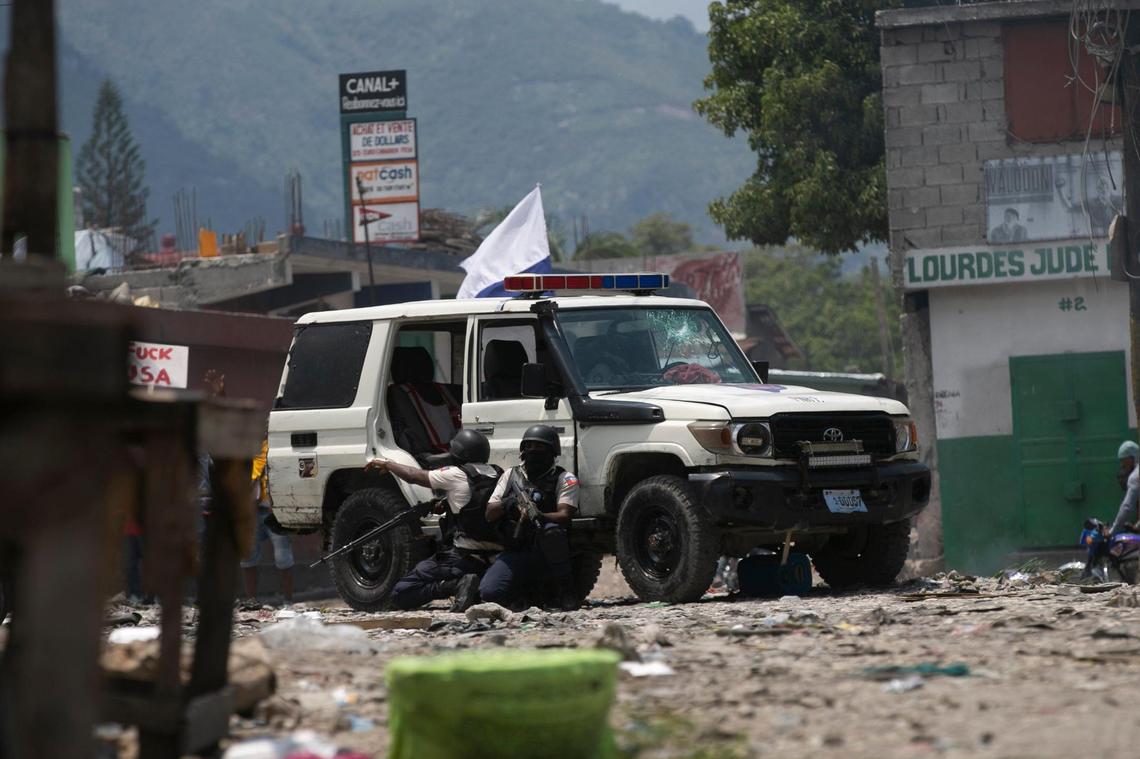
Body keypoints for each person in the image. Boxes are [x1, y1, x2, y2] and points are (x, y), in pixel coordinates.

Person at [370, 429, 501, 612]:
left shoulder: (455, 474)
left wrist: (389, 464)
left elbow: (414, 476)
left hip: (463, 557)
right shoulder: (498, 473)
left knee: (400, 593)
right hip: (497, 558)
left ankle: (453, 586)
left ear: (459, 453)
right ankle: (474, 587)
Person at [480, 425, 580, 611]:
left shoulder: (564, 478)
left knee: (552, 532)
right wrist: (508, 503)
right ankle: (525, 594)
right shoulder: (511, 475)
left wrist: (540, 516)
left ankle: (566, 590)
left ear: (552, 452)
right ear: (522, 451)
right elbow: (489, 513)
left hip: (548, 553)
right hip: (517, 550)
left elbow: (565, 515)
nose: (533, 452)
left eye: (539, 447)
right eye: (529, 447)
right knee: (489, 593)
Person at [241, 438, 295, 605]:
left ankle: (287, 601)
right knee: (248, 557)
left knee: (283, 557)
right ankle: (251, 600)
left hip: (275, 510)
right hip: (252, 510)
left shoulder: (274, 446)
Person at [1110, 440, 1140, 534]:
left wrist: (1112, 531)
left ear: (1132, 457)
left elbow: (1126, 507)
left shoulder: (1135, 476)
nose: (1123, 465)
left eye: (1123, 460)